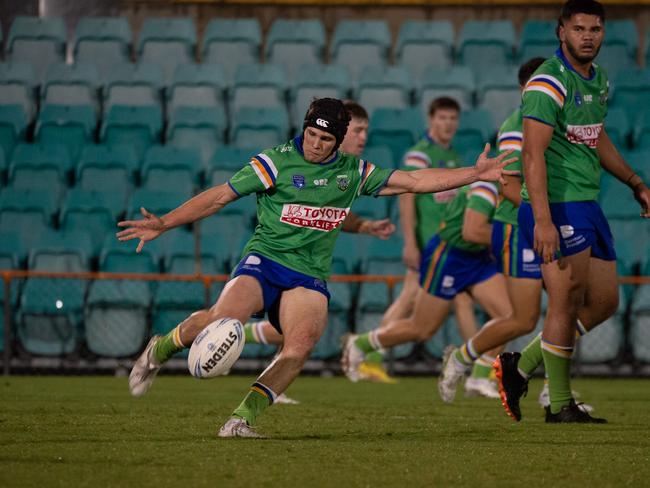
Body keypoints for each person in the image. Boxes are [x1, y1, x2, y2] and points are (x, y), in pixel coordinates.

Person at [119, 97, 516, 439]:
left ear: (338, 140)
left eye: (325, 139)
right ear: (304, 128)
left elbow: (412, 180)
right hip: (265, 261)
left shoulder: (352, 173)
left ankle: (240, 420)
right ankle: (161, 348)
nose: (315, 144)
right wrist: (164, 223)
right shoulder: (275, 161)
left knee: (299, 346)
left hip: (308, 275)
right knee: (220, 319)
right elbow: (219, 197)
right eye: (311, 134)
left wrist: (475, 174)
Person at [493, 0, 650, 424]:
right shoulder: (548, 82)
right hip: (555, 206)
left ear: (603, 33)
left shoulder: (598, 80)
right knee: (564, 302)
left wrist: (636, 183)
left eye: (595, 30)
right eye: (579, 29)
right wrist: (542, 220)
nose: (587, 37)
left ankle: (521, 365)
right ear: (561, 31)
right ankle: (559, 404)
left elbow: (595, 138)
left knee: (604, 302)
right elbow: (531, 156)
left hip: (587, 203)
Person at [240, 100, 396, 403]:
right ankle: (233, 335)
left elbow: (326, 209)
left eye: (367, 131)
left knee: (300, 332)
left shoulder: (347, 172)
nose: (364, 138)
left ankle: (265, 376)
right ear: (342, 133)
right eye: (359, 130)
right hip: (277, 257)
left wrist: (363, 226)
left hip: (309, 265)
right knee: (296, 328)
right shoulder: (299, 162)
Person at [342, 177, 513, 400]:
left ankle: (479, 377)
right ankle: (361, 343)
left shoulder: (518, 188)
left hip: (478, 257)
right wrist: (518, 236)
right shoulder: (487, 187)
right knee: (421, 328)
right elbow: (472, 231)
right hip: (449, 256)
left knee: (511, 318)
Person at [359, 97, 479, 383]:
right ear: (431, 120)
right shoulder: (419, 154)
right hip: (429, 247)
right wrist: (410, 243)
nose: (448, 123)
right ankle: (367, 354)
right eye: (442, 118)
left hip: (449, 246)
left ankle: (479, 367)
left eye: (453, 118)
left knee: (459, 300)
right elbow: (405, 197)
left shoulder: (454, 158)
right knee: (408, 300)